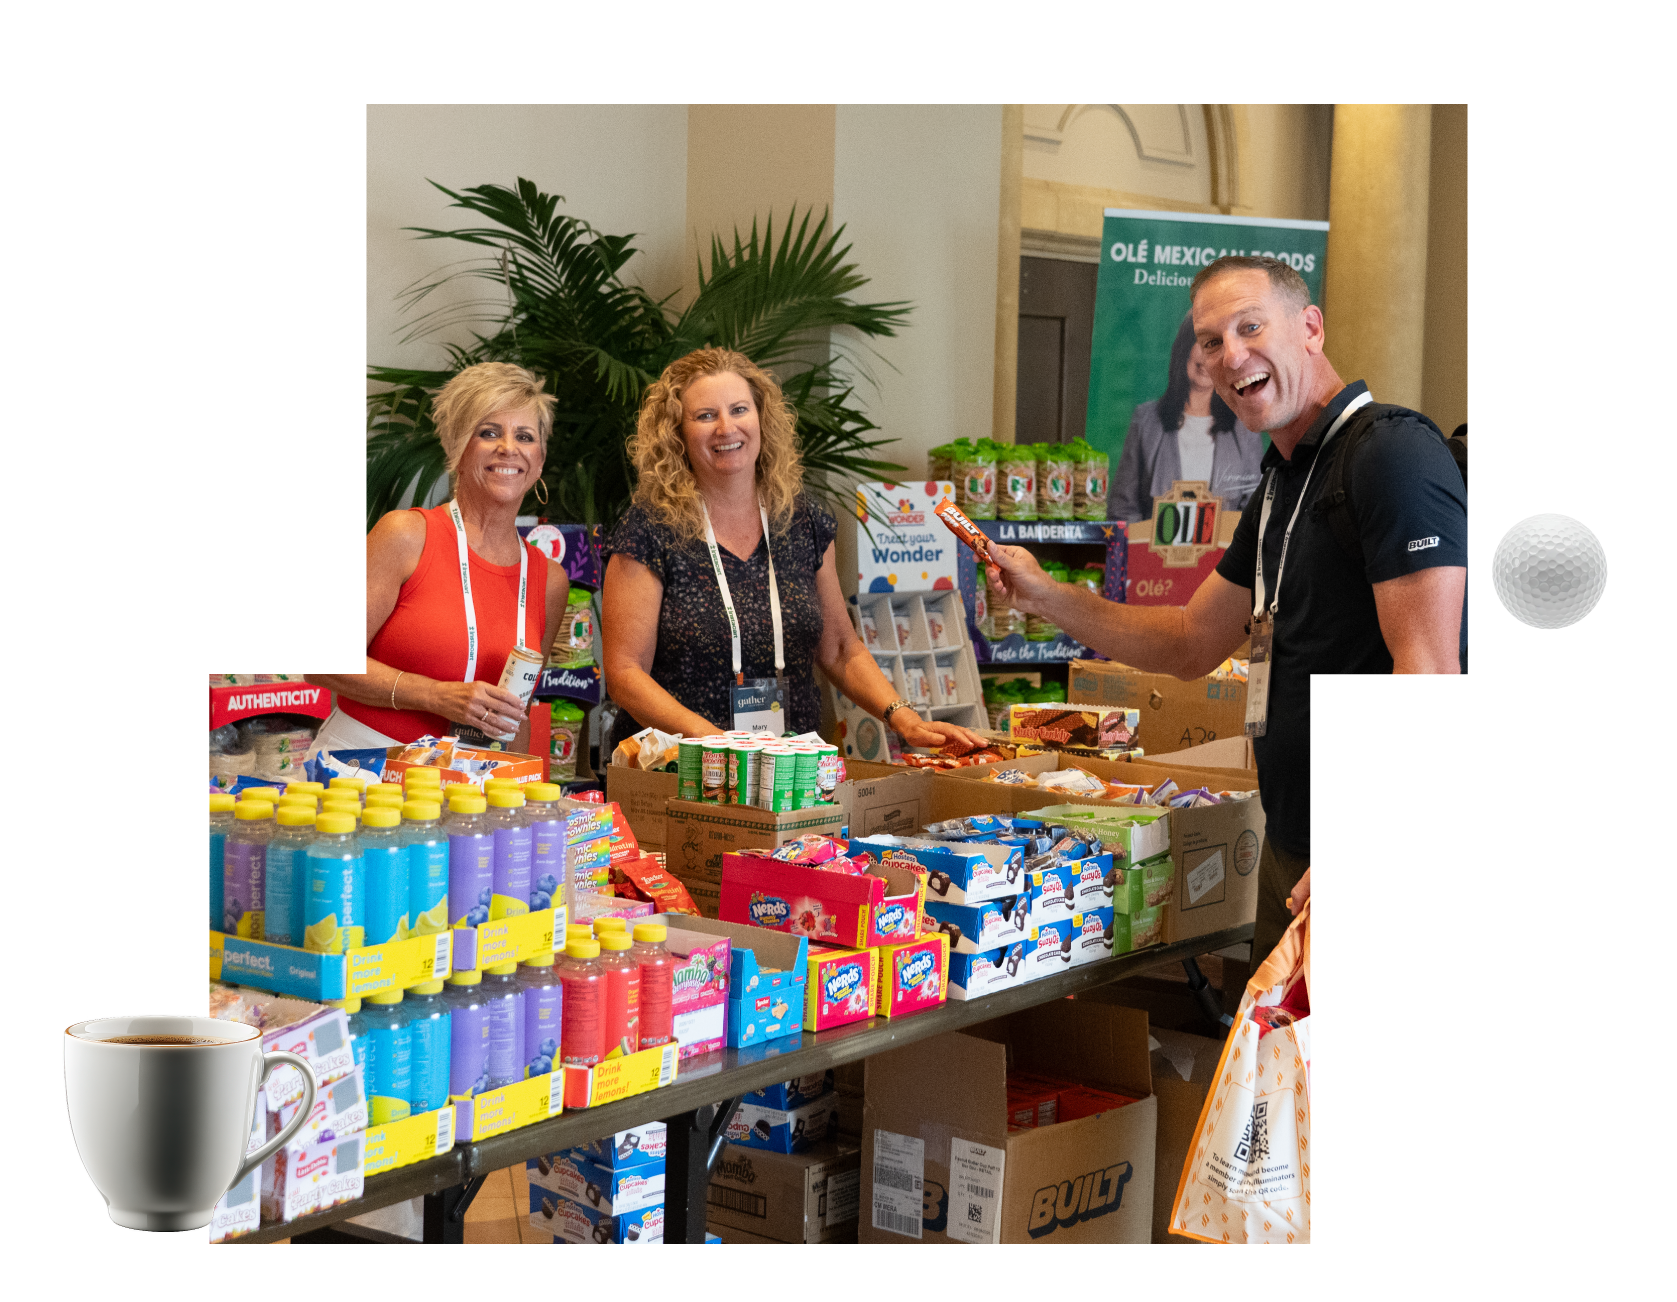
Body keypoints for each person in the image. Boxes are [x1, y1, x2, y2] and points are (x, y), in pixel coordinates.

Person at [985, 256, 1466, 963]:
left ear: (1310, 328)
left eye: (1250, 327)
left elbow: (1428, 666)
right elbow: (1189, 641)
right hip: (1290, 843)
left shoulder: (1389, 454)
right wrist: (1045, 594)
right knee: (1268, 1039)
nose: (1230, 355)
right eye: (1210, 341)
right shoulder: (1283, 481)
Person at [600, 347, 983, 754]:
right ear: (677, 433)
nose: (726, 427)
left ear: (761, 419)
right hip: (683, 767)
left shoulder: (802, 520)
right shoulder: (651, 528)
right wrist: (714, 741)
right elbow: (625, 673)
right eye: (706, 416)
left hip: (790, 769)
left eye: (739, 410)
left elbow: (840, 648)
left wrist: (905, 719)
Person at [309, 362, 570, 755]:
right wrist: (435, 695)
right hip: (362, 767)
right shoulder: (406, 535)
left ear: (540, 460)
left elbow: (516, 714)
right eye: (488, 432)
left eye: (525, 436)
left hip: (470, 781)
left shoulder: (548, 580)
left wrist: (519, 784)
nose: (508, 447)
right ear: (458, 450)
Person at [1107, 310, 1265, 525]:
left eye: (1217, 345)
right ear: (1184, 348)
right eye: (1204, 343)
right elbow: (1122, 509)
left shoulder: (1245, 427)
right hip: (1151, 548)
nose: (1208, 357)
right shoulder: (1145, 420)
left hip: (1227, 548)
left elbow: (1255, 512)